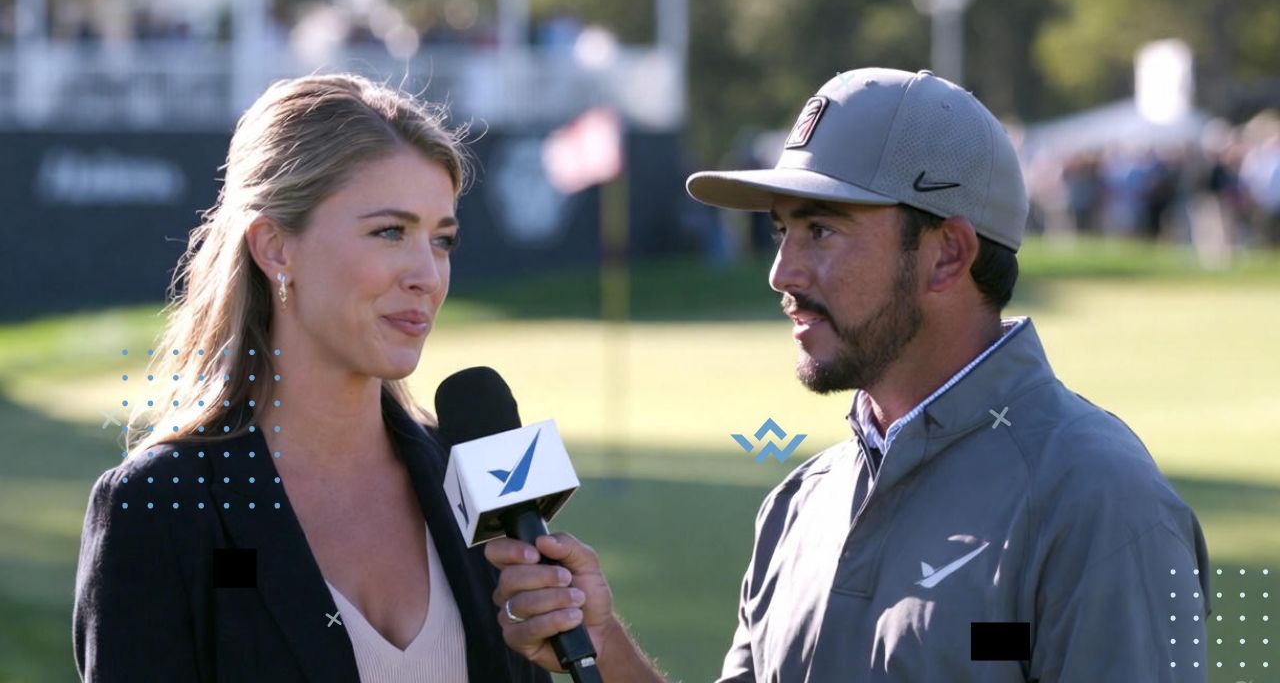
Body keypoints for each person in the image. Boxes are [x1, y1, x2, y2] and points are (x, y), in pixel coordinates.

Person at [484, 68, 1212, 682]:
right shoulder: (801, 503)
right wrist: (600, 643)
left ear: (948, 255)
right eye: (781, 231)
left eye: (821, 230)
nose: (781, 272)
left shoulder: (1098, 499)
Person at [73, 74, 551, 683]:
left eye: (443, 240)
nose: (427, 275)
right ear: (275, 248)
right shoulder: (161, 505)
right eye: (389, 232)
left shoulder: (480, 473)